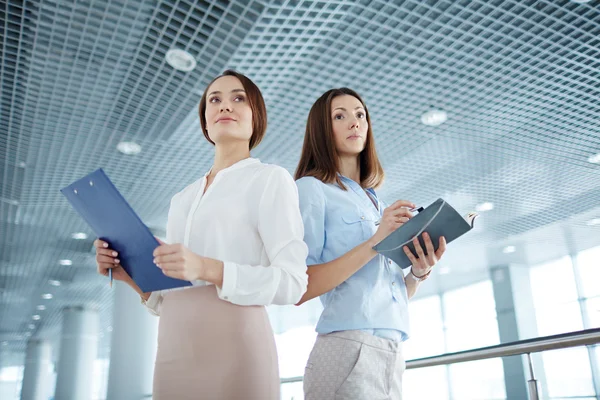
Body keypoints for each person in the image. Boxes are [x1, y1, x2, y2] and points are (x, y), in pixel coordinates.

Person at [94, 70, 309, 400]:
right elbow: (168, 298)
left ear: (257, 118)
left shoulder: (270, 180)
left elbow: (293, 282)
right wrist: (129, 276)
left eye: (238, 98)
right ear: (205, 122)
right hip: (172, 349)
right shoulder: (182, 198)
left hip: (235, 348)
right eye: (215, 100)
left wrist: (206, 268)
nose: (225, 106)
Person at [295, 87, 446, 399]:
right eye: (341, 116)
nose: (355, 123)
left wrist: (417, 272)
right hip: (347, 348)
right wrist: (376, 240)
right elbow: (300, 285)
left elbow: (383, 290)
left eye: (360, 115)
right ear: (323, 130)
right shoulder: (311, 190)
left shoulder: (375, 202)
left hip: (392, 350)